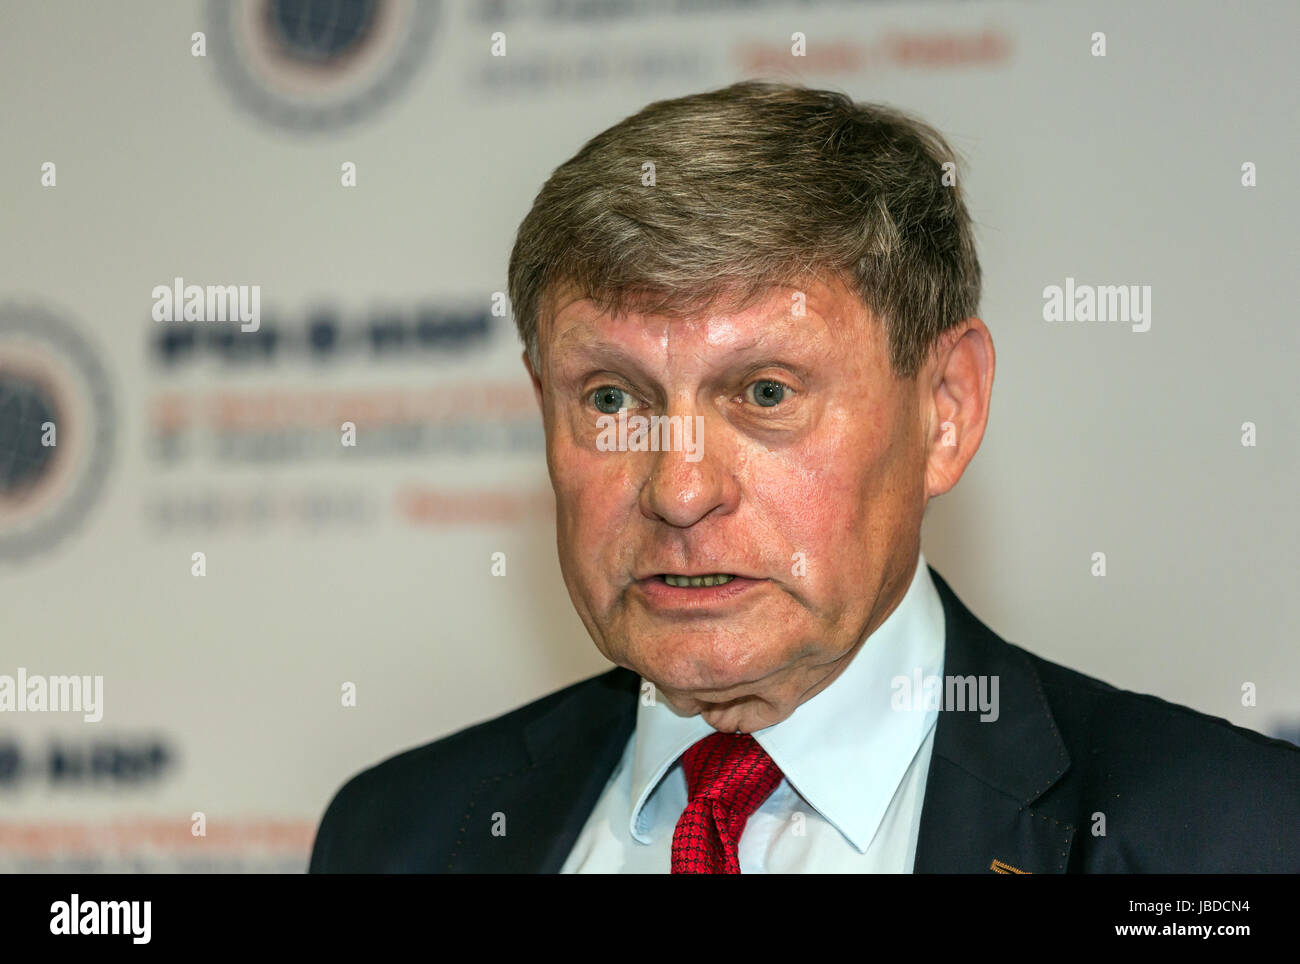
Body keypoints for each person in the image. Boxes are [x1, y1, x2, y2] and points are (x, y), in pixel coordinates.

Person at [309, 81, 1300, 873]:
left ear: (943, 409)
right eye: (612, 399)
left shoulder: (1229, 837)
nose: (678, 488)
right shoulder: (399, 835)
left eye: (766, 393)